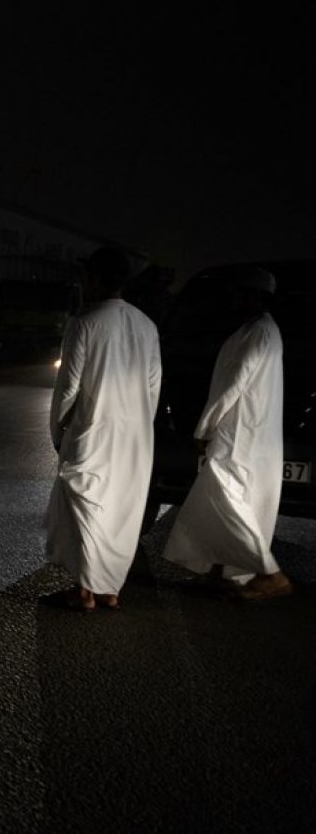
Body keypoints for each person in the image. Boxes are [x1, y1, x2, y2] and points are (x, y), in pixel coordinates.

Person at [44, 246, 162, 611]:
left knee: (86, 505)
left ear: (95, 278)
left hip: (92, 430)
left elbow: (68, 387)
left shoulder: (86, 322)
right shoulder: (147, 325)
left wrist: (57, 432)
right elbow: (154, 385)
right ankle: (109, 588)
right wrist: (141, 423)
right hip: (136, 436)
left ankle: (84, 590)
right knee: (118, 508)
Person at [163, 267, 291, 600]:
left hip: (238, 433)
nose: (233, 300)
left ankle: (270, 573)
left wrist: (205, 426)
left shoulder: (258, 332)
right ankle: (217, 572)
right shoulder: (256, 329)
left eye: (239, 294)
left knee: (227, 500)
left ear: (254, 296)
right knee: (215, 502)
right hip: (243, 432)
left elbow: (235, 383)